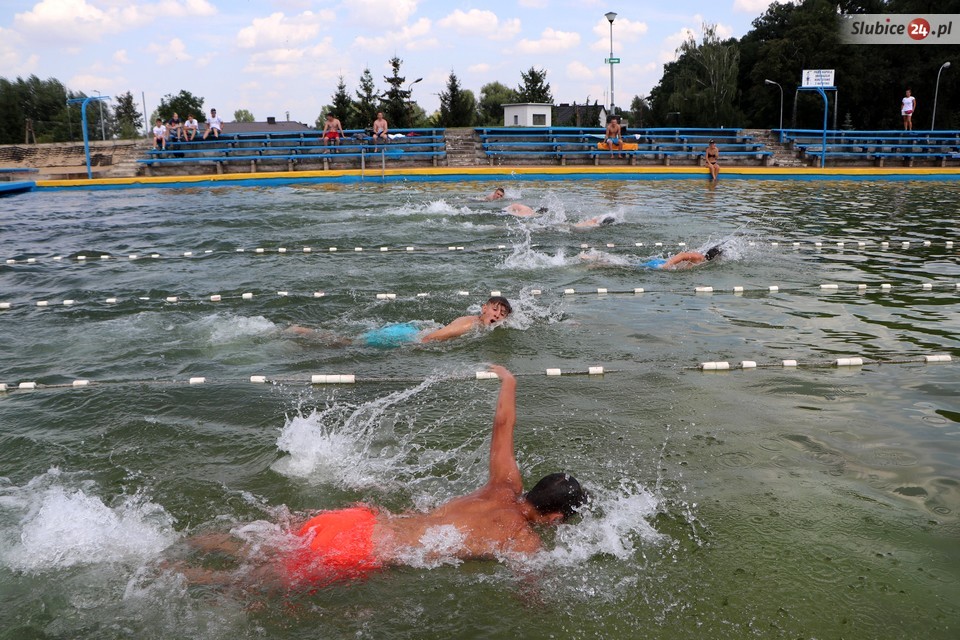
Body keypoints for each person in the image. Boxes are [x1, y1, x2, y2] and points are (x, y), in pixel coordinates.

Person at [171, 365, 588, 587]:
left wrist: (508, 380)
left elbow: (502, 426)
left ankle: (177, 543)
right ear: (555, 518)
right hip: (359, 551)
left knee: (266, 543)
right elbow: (530, 588)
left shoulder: (503, 486)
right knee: (242, 582)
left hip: (356, 520)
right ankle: (161, 571)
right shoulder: (523, 541)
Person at [288, 296, 512, 346]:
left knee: (349, 340)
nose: (496, 316)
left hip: (407, 330)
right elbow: (431, 338)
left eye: (501, 315)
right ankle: (300, 331)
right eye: (494, 310)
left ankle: (301, 332)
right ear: (484, 308)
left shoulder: (474, 320)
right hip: (406, 337)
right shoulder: (470, 324)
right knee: (347, 343)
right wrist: (415, 348)